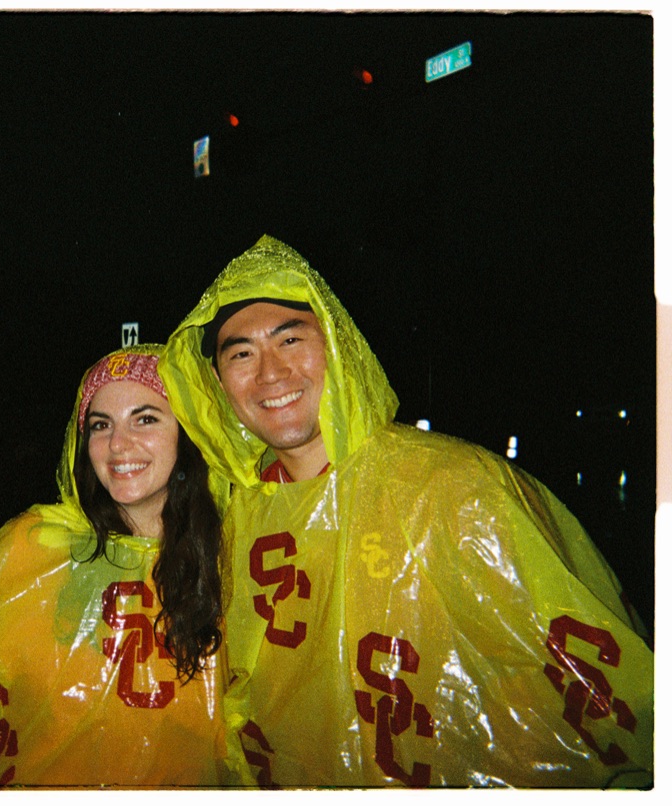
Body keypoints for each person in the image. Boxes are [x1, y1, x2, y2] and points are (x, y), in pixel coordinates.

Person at [158, 235, 654, 788]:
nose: (270, 373)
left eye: (291, 339)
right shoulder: (230, 519)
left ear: (337, 348)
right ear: (218, 384)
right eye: (241, 354)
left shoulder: (459, 486)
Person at [0, 344, 233, 788]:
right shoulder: (36, 547)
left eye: (145, 419)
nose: (118, 445)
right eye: (100, 425)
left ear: (189, 431)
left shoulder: (230, 554)